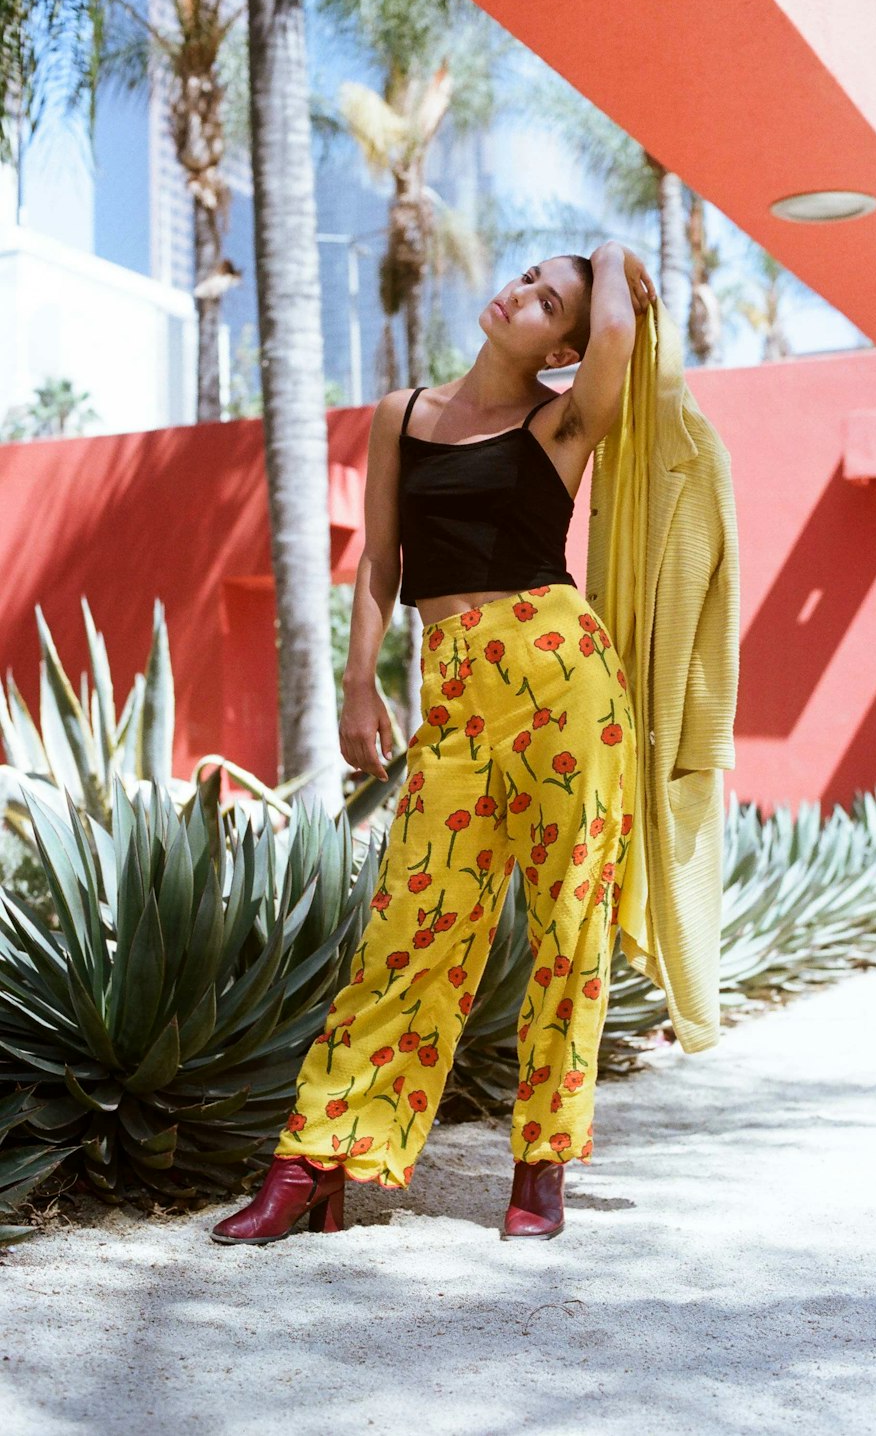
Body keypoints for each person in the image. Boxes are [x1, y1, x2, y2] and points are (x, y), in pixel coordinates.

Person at [212, 242, 657, 1245]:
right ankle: (313, 1160)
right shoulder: (401, 414)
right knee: (407, 932)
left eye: (551, 301)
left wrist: (611, 256)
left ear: (566, 346)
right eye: (527, 275)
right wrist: (359, 679)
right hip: (453, 687)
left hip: (560, 679)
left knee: (567, 921)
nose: (522, 294)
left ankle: (540, 1162)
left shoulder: (560, 421)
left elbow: (623, 330)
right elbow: (380, 557)